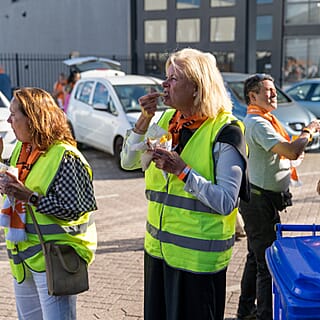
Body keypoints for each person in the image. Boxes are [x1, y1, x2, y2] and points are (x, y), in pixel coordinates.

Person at [121, 48, 250, 320]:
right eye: (165, 78)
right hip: (158, 253)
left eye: (173, 79)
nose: (164, 85)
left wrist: (183, 172)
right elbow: (129, 162)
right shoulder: (169, 121)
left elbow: (227, 201)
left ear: (196, 87)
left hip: (198, 263)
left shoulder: (226, 131)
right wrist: (144, 119)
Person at [0, 87, 97, 319]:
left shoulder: (65, 156)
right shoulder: (22, 151)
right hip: (24, 258)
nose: (8, 119)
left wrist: (29, 197)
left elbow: (74, 209)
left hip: (55, 259)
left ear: (34, 118)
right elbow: (17, 193)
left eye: (14, 115)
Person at [236, 73, 320, 320]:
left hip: (262, 200)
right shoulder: (259, 124)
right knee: (266, 264)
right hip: (259, 203)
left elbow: (283, 153)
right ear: (253, 96)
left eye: (274, 89)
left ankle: (245, 310)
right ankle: (263, 314)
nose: (274, 94)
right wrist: (309, 130)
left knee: (255, 258)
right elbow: (292, 150)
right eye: (268, 91)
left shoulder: (266, 120)